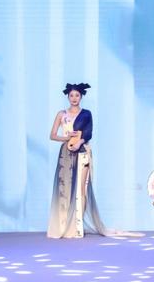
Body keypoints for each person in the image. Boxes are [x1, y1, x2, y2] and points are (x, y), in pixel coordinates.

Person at [47, 82, 118, 238]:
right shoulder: (61, 114)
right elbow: (52, 135)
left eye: (77, 95)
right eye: (71, 95)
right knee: (65, 189)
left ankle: (77, 226)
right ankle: (65, 226)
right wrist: (66, 138)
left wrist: (79, 142)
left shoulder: (86, 114)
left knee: (81, 188)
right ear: (68, 97)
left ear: (81, 97)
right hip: (66, 152)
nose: (74, 98)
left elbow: (89, 133)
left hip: (83, 151)